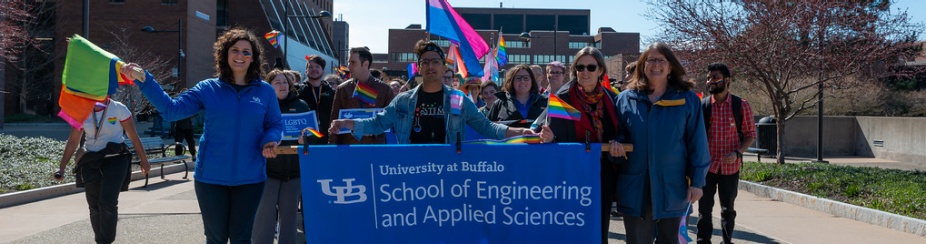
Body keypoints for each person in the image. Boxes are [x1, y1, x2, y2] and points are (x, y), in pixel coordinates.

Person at [121, 27, 284, 244]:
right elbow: (172, 110)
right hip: (211, 179)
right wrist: (145, 81)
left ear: (253, 58)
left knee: (242, 238)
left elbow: (274, 124)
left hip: (251, 178)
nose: (240, 56)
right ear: (225, 54)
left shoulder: (264, 91)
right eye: (235, 50)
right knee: (215, 239)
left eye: (247, 52)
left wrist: (270, 140)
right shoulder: (208, 89)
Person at [329, 40, 535, 144]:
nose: (430, 66)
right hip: (411, 170)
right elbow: (377, 123)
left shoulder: (458, 99)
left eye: (435, 61)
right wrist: (348, 123)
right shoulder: (403, 101)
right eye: (425, 62)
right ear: (418, 67)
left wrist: (520, 133)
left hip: (447, 170)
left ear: (443, 67)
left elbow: (487, 127)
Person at [614, 42, 710, 244]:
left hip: (674, 187)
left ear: (671, 66)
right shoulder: (624, 99)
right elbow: (618, 134)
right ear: (642, 65)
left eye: (661, 60)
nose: (656, 65)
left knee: (670, 241)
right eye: (651, 60)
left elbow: (698, 143)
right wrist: (616, 146)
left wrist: (698, 182)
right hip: (636, 186)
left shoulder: (688, 100)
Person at [536, 47, 626, 244]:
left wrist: (618, 141)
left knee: (599, 227)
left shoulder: (613, 99)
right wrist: (550, 138)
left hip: (603, 173)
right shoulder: (562, 98)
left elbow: (622, 131)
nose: (585, 72)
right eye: (580, 67)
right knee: (571, 227)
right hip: (572, 176)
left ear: (600, 70)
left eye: (591, 67)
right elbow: (554, 136)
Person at [54, 98, 151, 244]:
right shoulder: (82, 110)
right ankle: (101, 240)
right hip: (91, 161)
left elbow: (133, 135)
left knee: (107, 202)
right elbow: (73, 140)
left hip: (115, 159)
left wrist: (144, 160)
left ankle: (104, 241)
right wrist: (61, 167)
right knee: (94, 205)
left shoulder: (119, 108)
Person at [696, 63, 757, 244]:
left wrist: (738, 152)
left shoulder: (741, 105)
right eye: (708, 78)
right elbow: (695, 137)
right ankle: (703, 241)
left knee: (727, 209)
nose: (711, 81)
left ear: (726, 80)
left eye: (715, 77)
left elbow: (750, 134)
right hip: (707, 167)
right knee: (704, 210)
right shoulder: (703, 106)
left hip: (730, 167)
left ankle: (726, 241)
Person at [252, 69, 309, 244]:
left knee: (290, 220)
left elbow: (313, 135)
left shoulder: (301, 105)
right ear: (269, 86)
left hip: (293, 172)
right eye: (277, 82)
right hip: (267, 172)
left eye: (285, 82)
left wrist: (306, 138)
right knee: (264, 219)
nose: (282, 85)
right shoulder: (261, 106)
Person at [329, 47, 397, 144]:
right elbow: (333, 120)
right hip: (349, 148)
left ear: (365, 64)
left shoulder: (384, 89)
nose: (349, 66)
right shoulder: (343, 89)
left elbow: (392, 121)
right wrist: (332, 150)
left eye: (353, 62)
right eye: (349, 62)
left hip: (376, 149)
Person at [299, 55, 335, 144]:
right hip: (306, 137)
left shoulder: (331, 92)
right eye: (310, 67)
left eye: (317, 67)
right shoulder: (299, 91)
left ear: (323, 72)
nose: (314, 69)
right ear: (306, 71)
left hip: (327, 136)